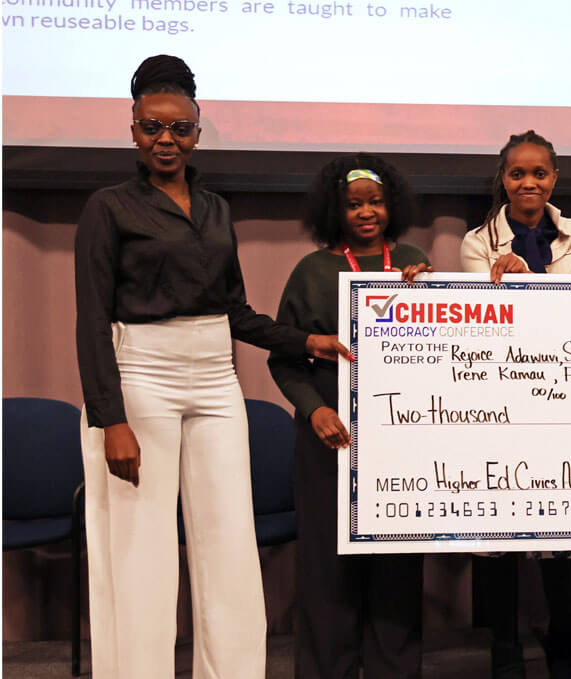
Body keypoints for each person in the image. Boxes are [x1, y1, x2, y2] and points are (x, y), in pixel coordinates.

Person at [74, 55, 349, 678]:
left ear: (198, 130)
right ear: (133, 129)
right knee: (142, 548)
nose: (165, 140)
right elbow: (91, 320)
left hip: (216, 377)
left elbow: (236, 313)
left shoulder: (217, 208)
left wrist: (310, 342)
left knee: (229, 543)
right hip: (142, 374)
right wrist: (109, 419)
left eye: (179, 129)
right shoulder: (108, 207)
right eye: (152, 128)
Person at [267, 154, 431, 678]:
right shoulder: (313, 270)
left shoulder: (412, 261)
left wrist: (425, 291)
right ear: (333, 211)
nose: (366, 212)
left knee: (396, 568)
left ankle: (394, 667)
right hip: (328, 440)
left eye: (376, 202)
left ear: (392, 206)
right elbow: (284, 358)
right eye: (354, 204)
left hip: (399, 441)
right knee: (326, 570)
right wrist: (314, 410)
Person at [461, 130, 571, 679]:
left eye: (539, 173)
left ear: (554, 179)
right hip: (500, 400)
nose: (529, 183)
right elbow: (488, 321)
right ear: (503, 179)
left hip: (564, 396)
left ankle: (562, 636)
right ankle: (505, 644)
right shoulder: (476, 242)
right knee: (500, 533)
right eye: (517, 173)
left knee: (561, 531)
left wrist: (532, 281)